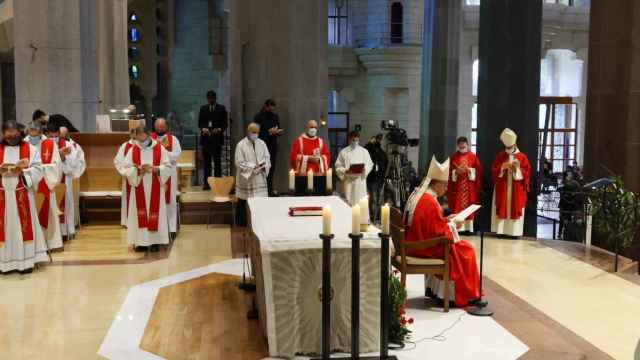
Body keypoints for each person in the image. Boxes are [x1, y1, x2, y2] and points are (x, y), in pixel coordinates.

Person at [404, 156, 481, 307]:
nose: (446, 188)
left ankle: (437, 291)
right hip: (424, 248)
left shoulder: (420, 195)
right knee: (467, 250)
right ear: (436, 184)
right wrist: (454, 224)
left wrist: (446, 220)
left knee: (463, 247)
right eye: (444, 185)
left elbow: (431, 225)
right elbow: (439, 234)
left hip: (414, 241)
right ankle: (459, 295)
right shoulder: (430, 202)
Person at [0, 120, 49, 273]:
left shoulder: (30, 148)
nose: (11, 136)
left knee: (24, 227)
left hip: (22, 194)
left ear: (19, 133)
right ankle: (4, 264)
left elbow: (38, 169)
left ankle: (26, 263)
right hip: (2, 195)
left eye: (14, 133)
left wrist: (22, 172)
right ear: (3, 134)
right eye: (8, 134)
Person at [118, 126, 171, 251]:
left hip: (155, 186)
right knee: (139, 214)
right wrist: (138, 170)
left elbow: (167, 166)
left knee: (155, 212)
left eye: (142, 135)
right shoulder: (133, 150)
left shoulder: (159, 148)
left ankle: (154, 242)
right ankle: (140, 242)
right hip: (139, 187)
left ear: (148, 134)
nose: (140, 138)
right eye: (138, 135)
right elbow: (125, 168)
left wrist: (157, 169)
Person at [25, 122, 63, 251]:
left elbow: (56, 166)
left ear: (41, 133)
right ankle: (33, 245)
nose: (33, 136)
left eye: (36, 133)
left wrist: (39, 170)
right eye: (31, 133)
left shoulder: (50, 144)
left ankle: (51, 243)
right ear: (28, 132)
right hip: (27, 187)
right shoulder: (23, 145)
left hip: (45, 184)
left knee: (48, 214)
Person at [491, 128, 531, 238]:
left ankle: (514, 232)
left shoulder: (522, 157)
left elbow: (527, 173)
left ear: (514, 144)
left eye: (510, 147)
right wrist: (502, 168)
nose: (508, 149)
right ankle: (501, 231)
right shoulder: (500, 156)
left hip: (516, 189)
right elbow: (494, 170)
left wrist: (517, 169)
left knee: (514, 205)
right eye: (506, 147)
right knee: (503, 205)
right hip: (502, 187)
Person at [50, 124, 84, 240]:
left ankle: (65, 232)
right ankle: (53, 235)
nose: (54, 139)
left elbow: (73, 167)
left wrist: (63, 158)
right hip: (49, 182)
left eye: (56, 136)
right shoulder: (44, 146)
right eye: (51, 136)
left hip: (65, 180)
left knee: (66, 204)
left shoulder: (69, 146)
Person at [234, 123, 270, 226]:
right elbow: (238, 162)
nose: (256, 134)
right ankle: (241, 224)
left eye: (257, 132)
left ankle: (260, 222)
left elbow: (267, 157)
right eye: (253, 132)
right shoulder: (241, 145)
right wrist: (253, 167)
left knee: (260, 202)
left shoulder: (262, 143)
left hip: (259, 178)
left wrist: (264, 165)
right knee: (243, 201)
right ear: (248, 132)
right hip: (246, 179)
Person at [152, 118, 182, 237]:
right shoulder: (150, 139)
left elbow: (176, 155)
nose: (159, 129)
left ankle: (171, 228)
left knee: (170, 200)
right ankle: (158, 227)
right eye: (157, 127)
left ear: (166, 127)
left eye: (161, 127)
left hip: (169, 174)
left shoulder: (173, 139)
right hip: (155, 174)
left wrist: (162, 150)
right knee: (156, 201)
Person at [447, 137, 482, 233]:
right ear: (458, 146)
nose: (462, 147)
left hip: (469, 186)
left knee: (469, 206)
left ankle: (468, 229)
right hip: (458, 187)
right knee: (457, 206)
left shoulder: (473, 156)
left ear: (467, 144)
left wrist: (469, 170)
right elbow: (450, 172)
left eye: (464, 145)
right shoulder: (454, 157)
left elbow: (478, 171)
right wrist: (456, 172)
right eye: (460, 145)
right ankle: (459, 228)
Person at [289, 120, 331, 195]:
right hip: (302, 177)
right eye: (311, 127)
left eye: (315, 127)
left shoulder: (320, 141)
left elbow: (327, 156)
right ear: (307, 128)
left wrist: (320, 159)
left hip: (318, 176)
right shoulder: (299, 141)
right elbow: (293, 157)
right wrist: (308, 158)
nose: (313, 129)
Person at [198, 90, 228, 188]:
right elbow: (200, 122)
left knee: (217, 162)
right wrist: (203, 128)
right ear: (207, 99)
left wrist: (219, 129)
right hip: (206, 139)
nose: (211, 100)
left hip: (217, 139)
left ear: (215, 98)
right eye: (209, 98)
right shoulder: (203, 108)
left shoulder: (221, 108)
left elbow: (225, 123)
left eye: (212, 98)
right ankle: (207, 184)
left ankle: (218, 183)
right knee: (206, 163)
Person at [254, 99, 283, 196]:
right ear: (265, 106)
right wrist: (268, 132)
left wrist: (277, 132)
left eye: (273, 108)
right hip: (262, 145)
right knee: (262, 168)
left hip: (272, 146)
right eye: (270, 108)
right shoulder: (258, 117)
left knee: (271, 168)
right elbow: (256, 132)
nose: (271, 110)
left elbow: (278, 128)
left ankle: (270, 189)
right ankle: (261, 190)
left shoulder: (275, 116)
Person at [335, 131, 373, 206]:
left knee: (360, 202)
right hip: (349, 181)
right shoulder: (344, 152)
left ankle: (361, 218)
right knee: (348, 202)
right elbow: (338, 166)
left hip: (360, 182)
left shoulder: (364, 151)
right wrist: (345, 170)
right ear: (349, 140)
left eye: (357, 140)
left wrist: (364, 169)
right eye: (353, 140)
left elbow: (370, 164)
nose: (355, 142)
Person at [114, 130, 136, 227]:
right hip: (129, 177)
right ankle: (128, 222)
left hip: (143, 177)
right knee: (129, 199)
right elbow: (118, 161)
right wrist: (126, 172)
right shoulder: (125, 146)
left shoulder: (145, 146)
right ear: (130, 134)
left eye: (137, 132)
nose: (135, 135)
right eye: (133, 133)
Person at [365, 134, 388, 221]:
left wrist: (383, 176)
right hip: (373, 179)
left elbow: (385, 163)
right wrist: (370, 143)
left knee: (378, 199)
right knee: (374, 199)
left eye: (380, 139)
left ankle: (376, 217)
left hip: (379, 179)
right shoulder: (370, 150)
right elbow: (365, 149)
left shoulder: (381, 152)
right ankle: (372, 217)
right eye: (378, 139)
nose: (379, 141)